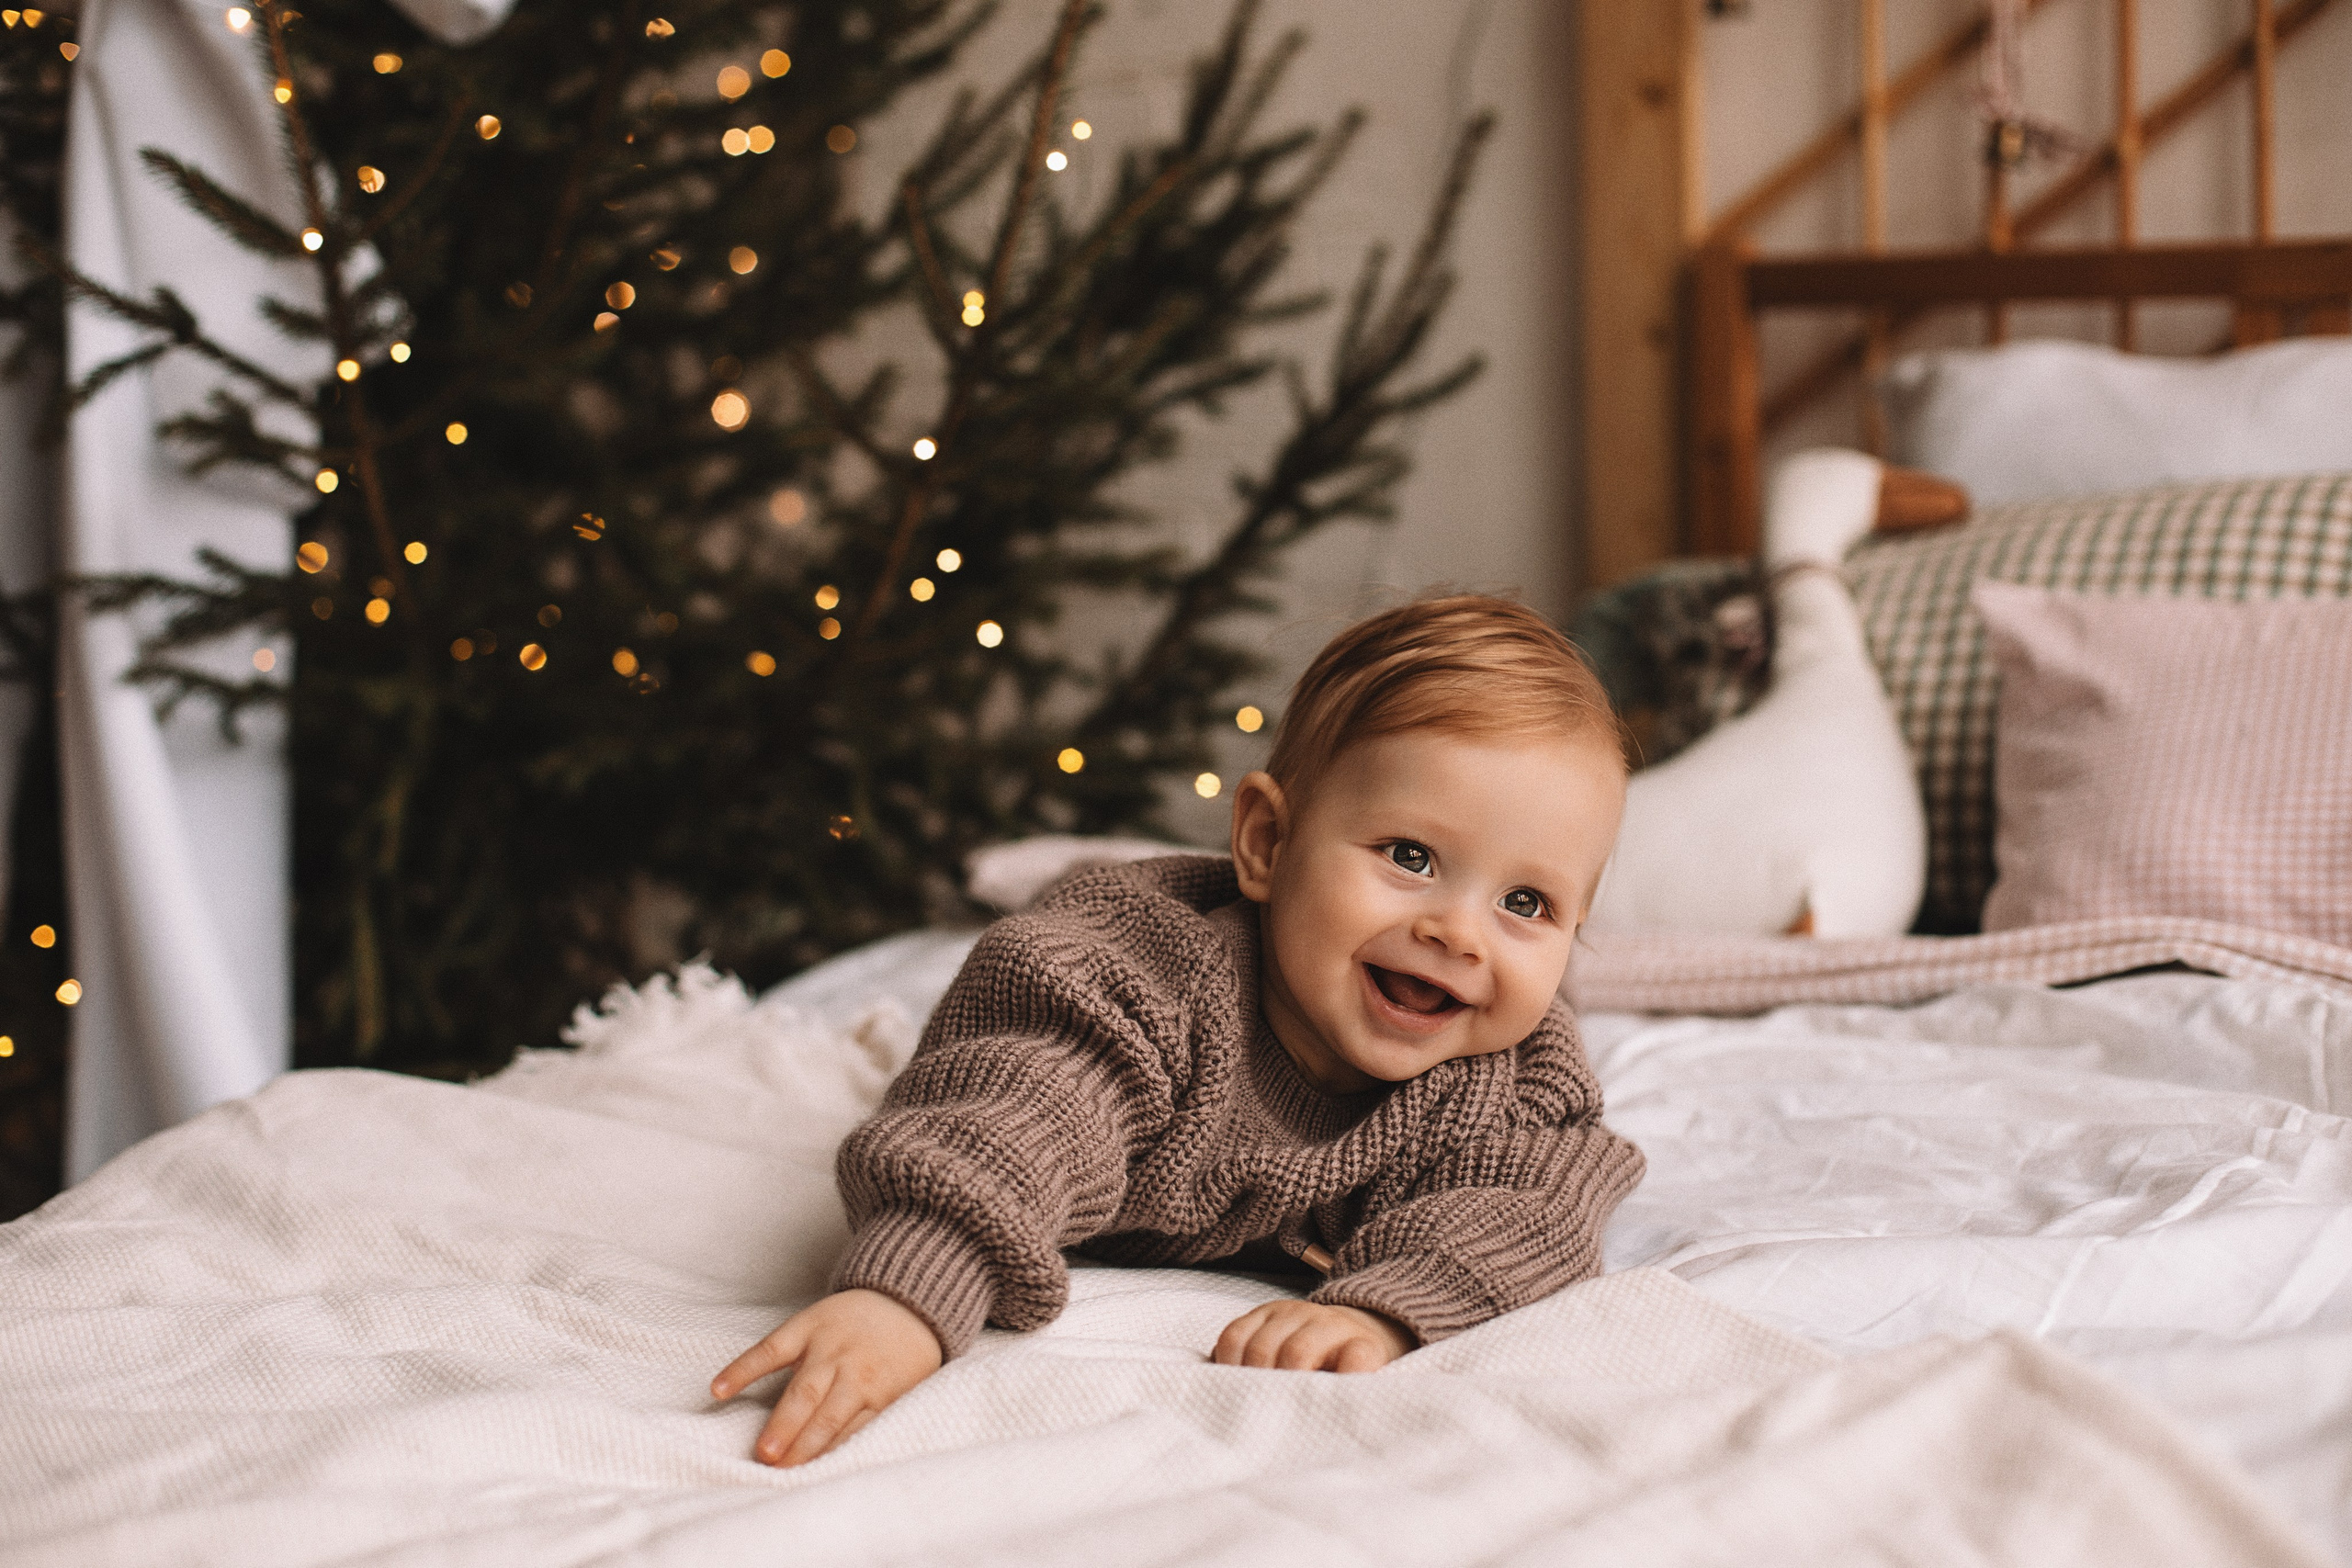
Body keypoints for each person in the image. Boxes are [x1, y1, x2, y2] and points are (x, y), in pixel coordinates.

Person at [711, 594, 1645, 1467]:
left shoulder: (1512, 1076)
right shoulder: (1137, 975)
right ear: (1267, 845)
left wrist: (1387, 1314)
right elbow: (1027, 1109)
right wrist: (904, 1292)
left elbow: (1530, 1206)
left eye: (1526, 902)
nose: (1459, 931)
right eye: (1410, 857)